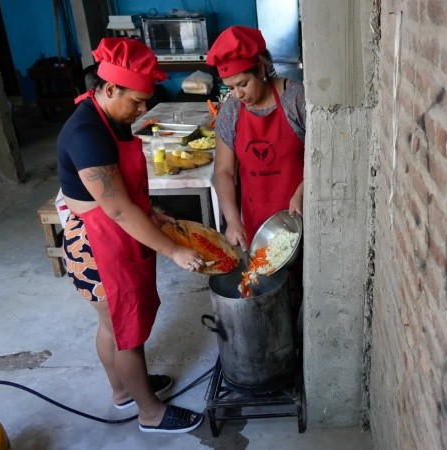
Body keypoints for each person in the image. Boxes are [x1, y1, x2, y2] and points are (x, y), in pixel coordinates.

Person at [56, 37, 204, 433]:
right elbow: (118, 209)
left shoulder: (108, 118)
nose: (142, 110)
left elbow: (127, 194)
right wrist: (173, 251)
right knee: (127, 334)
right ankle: (150, 412)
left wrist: (153, 213)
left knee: (113, 326)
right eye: (136, 101)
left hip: (115, 235)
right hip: (97, 246)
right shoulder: (86, 133)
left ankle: (124, 391)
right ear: (108, 89)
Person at [206, 26, 306, 251]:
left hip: (299, 212)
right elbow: (223, 171)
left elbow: (323, 157)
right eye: (230, 87)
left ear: (260, 68)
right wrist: (232, 220)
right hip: (256, 221)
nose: (238, 95)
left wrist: (302, 192)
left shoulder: (295, 98)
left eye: (243, 84)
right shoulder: (231, 110)